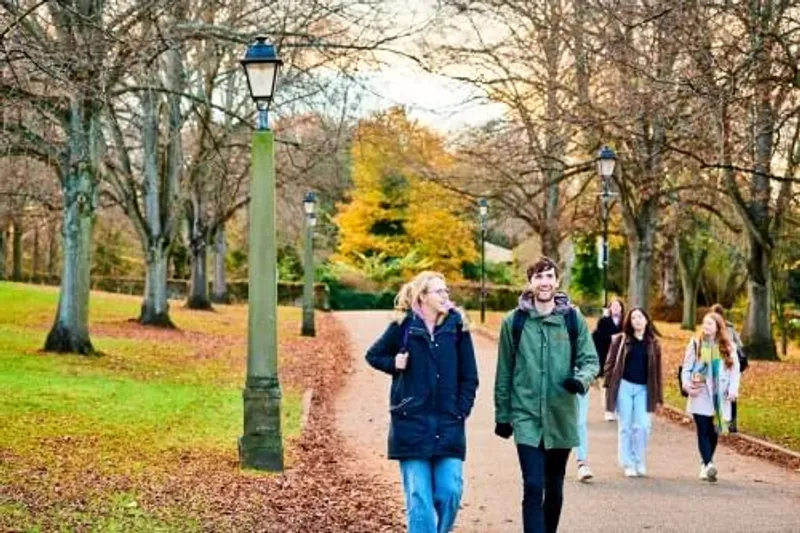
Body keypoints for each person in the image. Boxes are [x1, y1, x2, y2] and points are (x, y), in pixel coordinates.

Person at [366, 271, 479, 533]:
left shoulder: (457, 327)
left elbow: (470, 377)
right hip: (411, 422)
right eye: (439, 291)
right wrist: (393, 363)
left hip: (448, 423)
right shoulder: (403, 326)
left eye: (446, 291)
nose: (445, 296)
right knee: (419, 498)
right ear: (423, 296)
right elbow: (373, 355)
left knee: (450, 492)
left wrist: (460, 410)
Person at [494, 257, 599, 533]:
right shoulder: (513, 322)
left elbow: (591, 361)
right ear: (530, 282)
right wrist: (503, 416)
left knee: (553, 488)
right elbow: (504, 372)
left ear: (557, 281)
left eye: (550, 276)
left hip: (560, 414)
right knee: (532, 485)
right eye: (539, 277)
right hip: (526, 415)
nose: (545, 282)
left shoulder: (573, 321)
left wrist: (581, 380)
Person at [602, 307, 663, 477]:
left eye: (640, 317)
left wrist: (658, 397)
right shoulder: (620, 340)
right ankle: (628, 463)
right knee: (626, 427)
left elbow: (657, 372)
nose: (637, 320)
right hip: (624, 387)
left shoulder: (653, 343)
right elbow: (610, 364)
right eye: (633, 317)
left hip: (644, 389)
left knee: (642, 426)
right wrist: (608, 386)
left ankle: (639, 459)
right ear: (629, 321)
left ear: (646, 320)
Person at [681, 312, 740, 482]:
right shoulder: (696, 343)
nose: (706, 326)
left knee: (715, 431)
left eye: (710, 324)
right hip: (700, 391)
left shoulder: (728, 345)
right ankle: (708, 464)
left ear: (717, 327)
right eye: (704, 323)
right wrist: (687, 386)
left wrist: (733, 390)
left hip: (720, 395)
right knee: (703, 429)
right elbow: (686, 367)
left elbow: (735, 371)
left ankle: (705, 463)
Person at [710, 303, 746, 433]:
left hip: (729, 362)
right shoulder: (728, 327)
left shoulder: (726, 328)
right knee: (729, 395)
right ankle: (730, 422)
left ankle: (727, 422)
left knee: (727, 394)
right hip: (726, 364)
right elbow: (740, 344)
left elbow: (737, 345)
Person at [594, 298, 625, 422]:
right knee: (606, 383)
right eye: (614, 306)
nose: (616, 308)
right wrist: (611, 338)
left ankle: (618, 408)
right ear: (610, 308)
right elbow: (598, 337)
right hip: (605, 356)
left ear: (622, 308)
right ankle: (608, 409)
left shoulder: (625, 322)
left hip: (622, 357)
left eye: (618, 306)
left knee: (620, 384)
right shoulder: (603, 321)